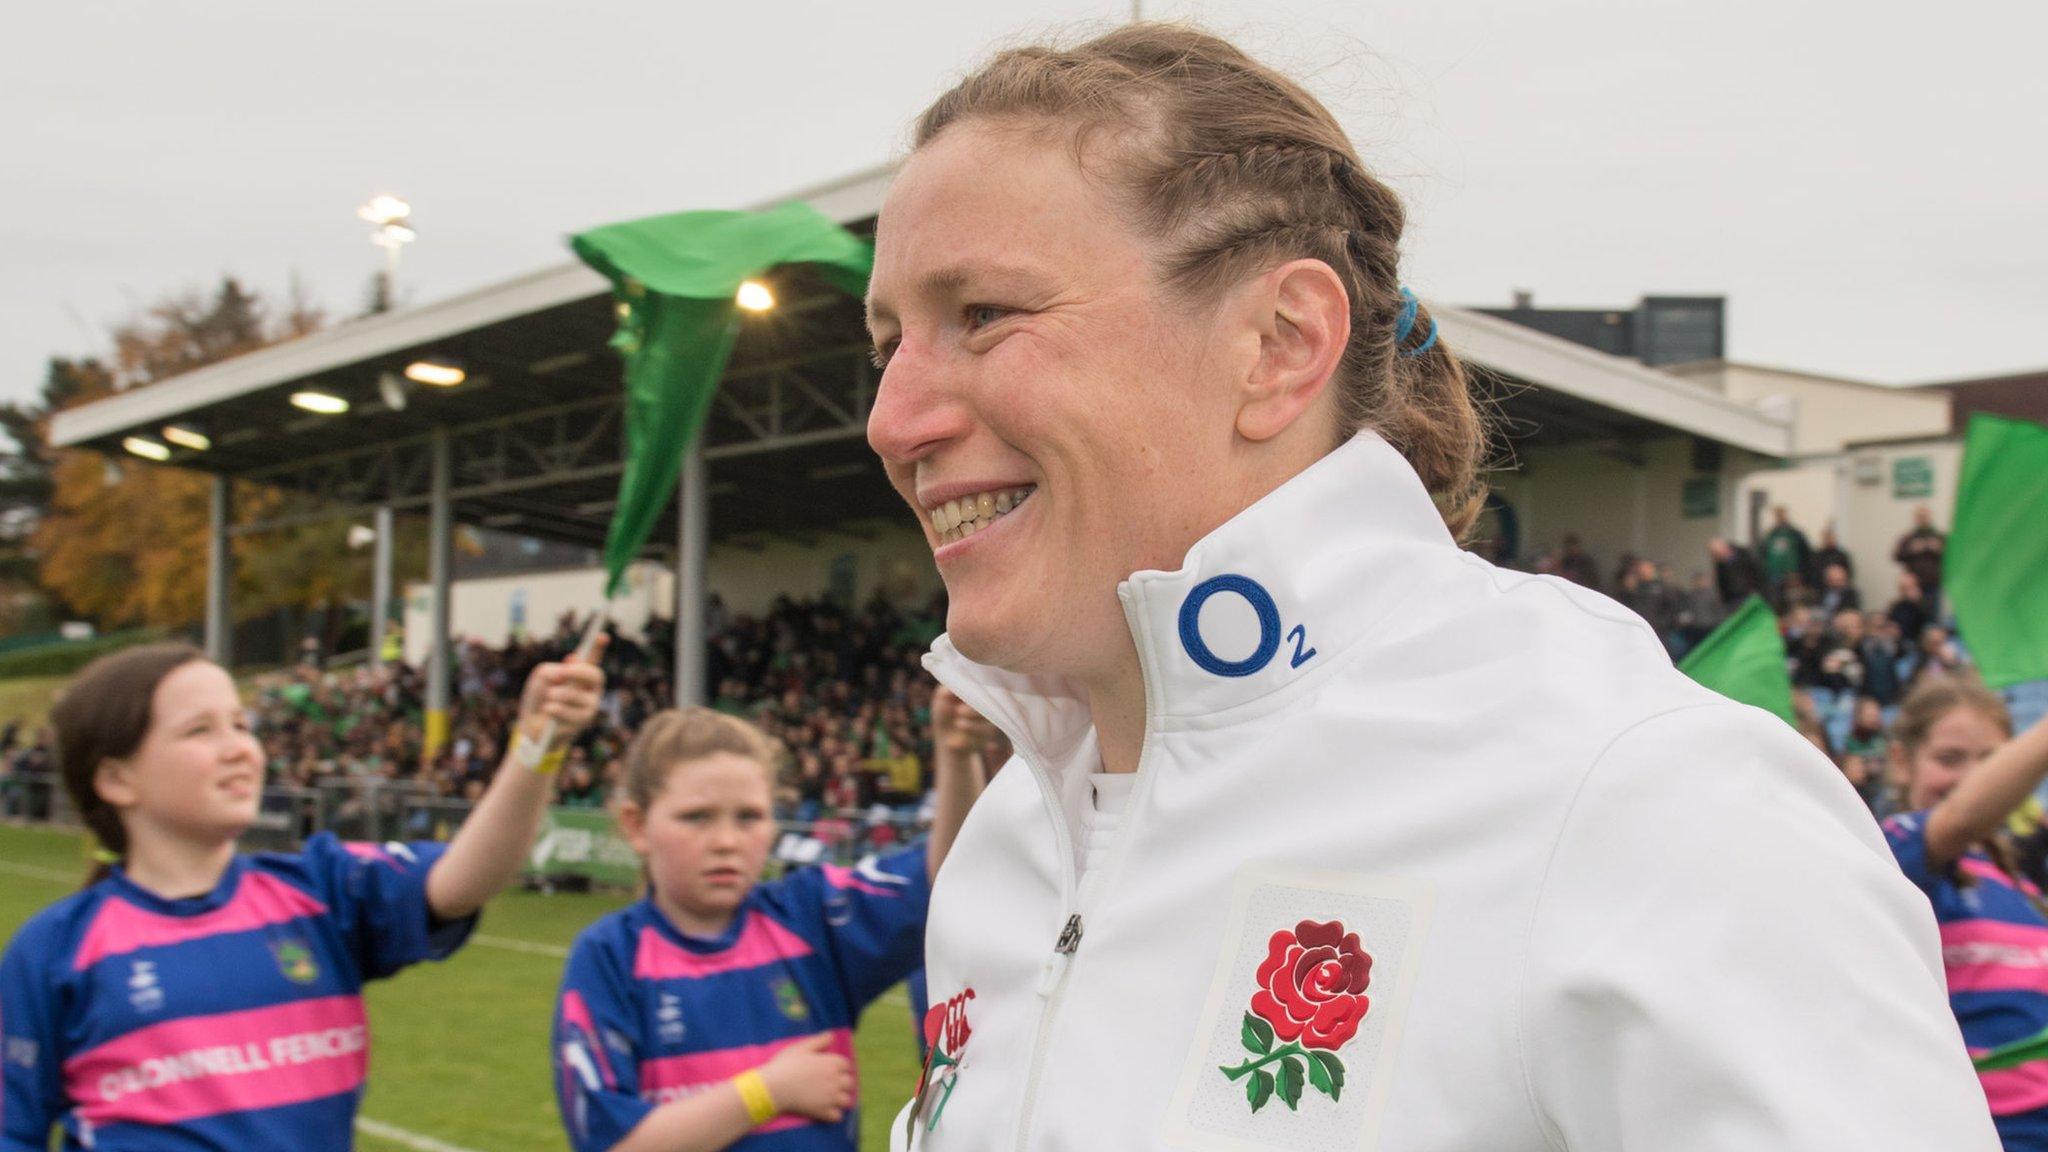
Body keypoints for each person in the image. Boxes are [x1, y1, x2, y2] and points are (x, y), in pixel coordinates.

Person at [861, 23, 1994, 1150]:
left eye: (983, 316)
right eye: (887, 345)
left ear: (1278, 342)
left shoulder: (1634, 793)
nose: (890, 420)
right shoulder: (1011, 839)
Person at [1, 639, 605, 1150]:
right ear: (115, 778)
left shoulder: (320, 892)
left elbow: (465, 878)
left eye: (241, 724)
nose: (239, 747)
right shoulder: (55, 953)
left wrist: (539, 743)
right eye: (200, 731)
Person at [550, 693, 988, 1152]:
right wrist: (765, 1092)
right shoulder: (608, 957)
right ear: (636, 825)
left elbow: (947, 879)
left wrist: (957, 755)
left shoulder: (811, 917)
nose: (726, 841)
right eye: (696, 817)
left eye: (749, 817)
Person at [1882, 679, 2048, 1149]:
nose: (1973, 778)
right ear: (1901, 761)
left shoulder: (2023, 885)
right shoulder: (1890, 850)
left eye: (1990, 761)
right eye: (1949, 759)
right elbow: (1960, 818)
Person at [1759, 505, 1815, 601]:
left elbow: (1806, 554)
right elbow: (1762, 554)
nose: (1780, 517)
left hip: (1792, 576)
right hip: (1773, 575)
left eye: (1782, 514)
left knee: (1792, 601)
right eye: (1777, 515)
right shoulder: (1770, 535)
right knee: (1774, 600)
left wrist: (1801, 573)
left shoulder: (1796, 534)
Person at [1896, 506, 1948, 597]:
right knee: (1915, 609)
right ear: (1916, 518)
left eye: (1925, 516)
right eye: (1920, 517)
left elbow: (1952, 557)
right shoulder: (1909, 537)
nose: (1923, 519)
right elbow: (1897, 556)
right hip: (1914, 583)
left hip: (1935, 581)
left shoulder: (1940, 537)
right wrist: (1911, 550)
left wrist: (1939, 550)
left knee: (1934, 609)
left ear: (1930, 517)